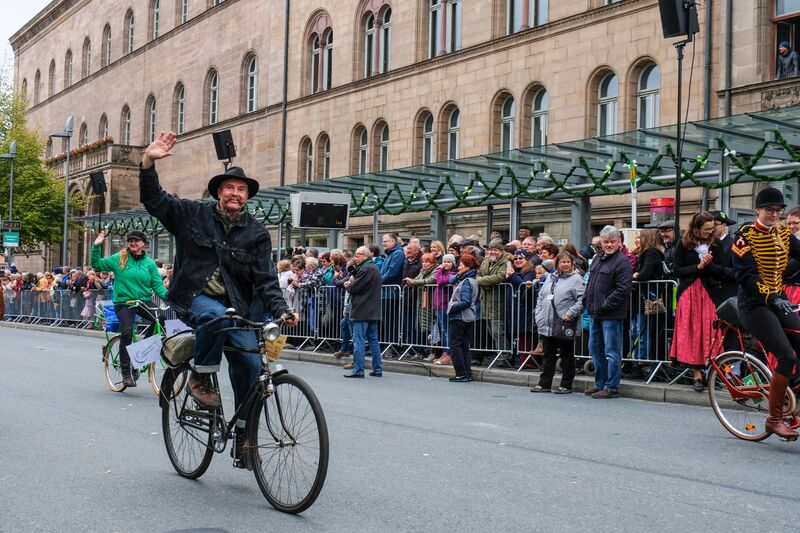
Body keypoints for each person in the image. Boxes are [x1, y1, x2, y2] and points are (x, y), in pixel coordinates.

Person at [138, 131, 297, 464]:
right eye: (229, 188)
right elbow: (156, 201)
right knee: (213, 317)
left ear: (247, 196)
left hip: (237, 308)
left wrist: (282, 310)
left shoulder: (256, 234)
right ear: (218, 193)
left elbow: (266, 279)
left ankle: (243, 435)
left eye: (241, 190)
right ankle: (200, 376)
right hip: (192, 299)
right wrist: (149, 163)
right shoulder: (193, 214)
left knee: (253, 367)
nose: (235, 193)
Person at [732, 187, 800, 440]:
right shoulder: (744, 237)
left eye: (778, 210)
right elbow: (745, 275)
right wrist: (770, 296)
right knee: (785, 357)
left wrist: (776, 297)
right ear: (757, 210)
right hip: (754, 304)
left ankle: (785, 396)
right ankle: (774, 419)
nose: (774, 214)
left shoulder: (783, 233)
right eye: (769, 210)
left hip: (777, 300)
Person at [670, 211, 737, 392]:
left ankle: (713, 372)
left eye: (712, 228)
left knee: (712, 333)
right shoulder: (683, 244)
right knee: (692, 332)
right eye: (706, 229)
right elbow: (677, 270)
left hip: (710, 293)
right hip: (689, 293)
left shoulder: (716, 244)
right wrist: (698, 267)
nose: (710, 231)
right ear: (697, 228)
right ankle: (697, 375)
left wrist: (709, 265)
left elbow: (722, 270)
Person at [91, 229, 167, 387]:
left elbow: (158, 287)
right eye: (130, 240)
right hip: (124, 302)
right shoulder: (119, 258)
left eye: (136, 241)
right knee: (127, 331)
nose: (133, 243)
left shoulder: (150, 264)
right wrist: (96, 246)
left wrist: (173, 299)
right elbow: (97, 264)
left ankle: (141, 353)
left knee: (160, 318)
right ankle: (126, 371)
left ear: (143, 244)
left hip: (143, 301)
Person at [583, 226, 633, 399]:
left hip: (611, 314)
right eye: (606, 242)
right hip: (596, 312)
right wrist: (586, 302)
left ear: (619, 243)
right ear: (601, 243)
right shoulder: (597, 259)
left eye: (613, 242)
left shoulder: (622, 262)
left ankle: (611, 387)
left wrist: (604, 305)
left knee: (612, 352)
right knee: (595, 350)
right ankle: (600, 384)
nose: (609, 245)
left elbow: (623, 289)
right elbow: (591, 283)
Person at [530, 252, 585, 393]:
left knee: (566, 355)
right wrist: (539, 314)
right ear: (557, 264)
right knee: (548, 354)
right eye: (563, 262)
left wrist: (570, 314)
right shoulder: (550, 278)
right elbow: (541, 297)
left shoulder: (576, 279)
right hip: (547, 322)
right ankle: (544, 383)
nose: (565, 264)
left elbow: (582, 300)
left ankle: (566, 384)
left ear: (572, 263)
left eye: (568, 262)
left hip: (564, 323)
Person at [343, 246, 383, 378]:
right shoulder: (373, 267)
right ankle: (377, 369)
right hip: (372, 309)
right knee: (373, 340)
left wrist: (348, 285)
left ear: (366, 256)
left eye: (359, 255)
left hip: (362, 309)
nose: (356, 257)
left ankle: (358, 370)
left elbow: (354, 288)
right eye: (356, 255)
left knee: (358, 340)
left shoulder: (366, 268)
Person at [631, 229, 666, 362]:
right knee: (637, 331)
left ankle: (642, 361)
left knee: (641, 331)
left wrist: (636, 276)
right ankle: (639, 359)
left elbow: (645, 274)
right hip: (642, 298)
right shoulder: (644, 254)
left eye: (639, 237)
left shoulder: (651, 253)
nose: (636, 240)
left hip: (647, 299)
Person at [475, 239, 511, 365]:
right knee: (492, 331)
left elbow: (499, 278)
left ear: (501, 251)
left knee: (498, 331)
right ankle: (500, 355)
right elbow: (477, 275)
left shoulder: (505, 262)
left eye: (495, 249)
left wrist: (483, 282)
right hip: (485, 301)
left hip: (497, 302)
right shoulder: (485, 261)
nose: (492, 252)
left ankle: (505, 357)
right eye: (490, 249)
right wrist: (486, 283)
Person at [446, 254, 481, 382]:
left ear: (467, 267)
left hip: (460, 317)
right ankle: (467, 373)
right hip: (467, 317)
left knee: (455, 345)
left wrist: (451, 308)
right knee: (464, 346)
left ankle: (461, 373)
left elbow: (466, 302)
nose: (458, 268)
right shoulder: (470, 279)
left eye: (460, 265)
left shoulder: (466, 282)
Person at [432, 254, 458, 365]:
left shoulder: (452, 274)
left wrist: (439, 270)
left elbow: (440, 281)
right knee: (442, 330)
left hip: (445, 306)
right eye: (444, 261)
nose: (446, 264)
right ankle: (444, 353)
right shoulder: (443, 273)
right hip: (438, 305)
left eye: (449, 262)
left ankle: (449, 353)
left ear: (453, 264)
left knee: (447, 331)